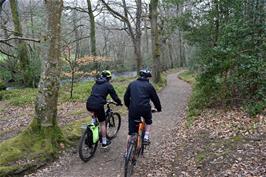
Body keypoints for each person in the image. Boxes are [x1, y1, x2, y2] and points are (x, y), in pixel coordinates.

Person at [124, 69, 161, 145]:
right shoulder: (149, 86)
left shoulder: (132, 84)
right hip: (145, 109)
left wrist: (128, 106)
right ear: (148, 78)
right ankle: (146, 137)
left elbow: (126, 97)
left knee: (131, 132)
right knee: (148, 120)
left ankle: (127, 152)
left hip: (133, 109)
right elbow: (155, 99)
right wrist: (158, 108)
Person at [86, 70, 122, 148]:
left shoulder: (96, 83)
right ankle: (104, 142)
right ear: (109, 78)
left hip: (89, 103)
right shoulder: (108, 85)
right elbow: (114, 96)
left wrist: (104, 100)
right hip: (98, 105)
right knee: (102, 123)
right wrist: (119, 102)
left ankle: (92, 130)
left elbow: (96, 94)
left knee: (94, 119)